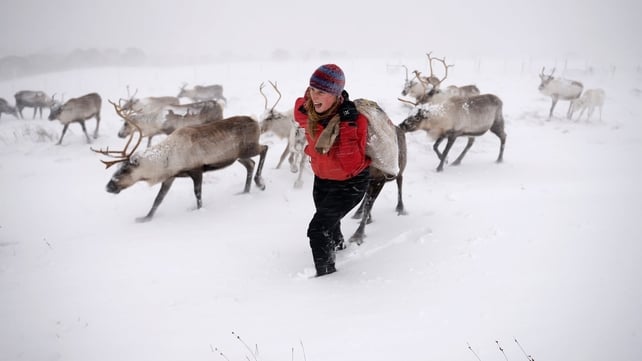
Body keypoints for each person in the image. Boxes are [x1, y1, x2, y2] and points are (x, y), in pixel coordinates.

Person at [293, 64, 371, 277]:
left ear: (337, 95)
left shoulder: (355, 121)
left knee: (318, 229)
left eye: (321, 91)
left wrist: (347, 124)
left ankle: (327, 277)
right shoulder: (308, 113)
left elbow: (351, 163)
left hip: (351, 182)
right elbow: (299, 107)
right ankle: (338, 248)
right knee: (330, 223)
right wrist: (312, 95)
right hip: (323, 180)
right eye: (311, 89)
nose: (314, 95)